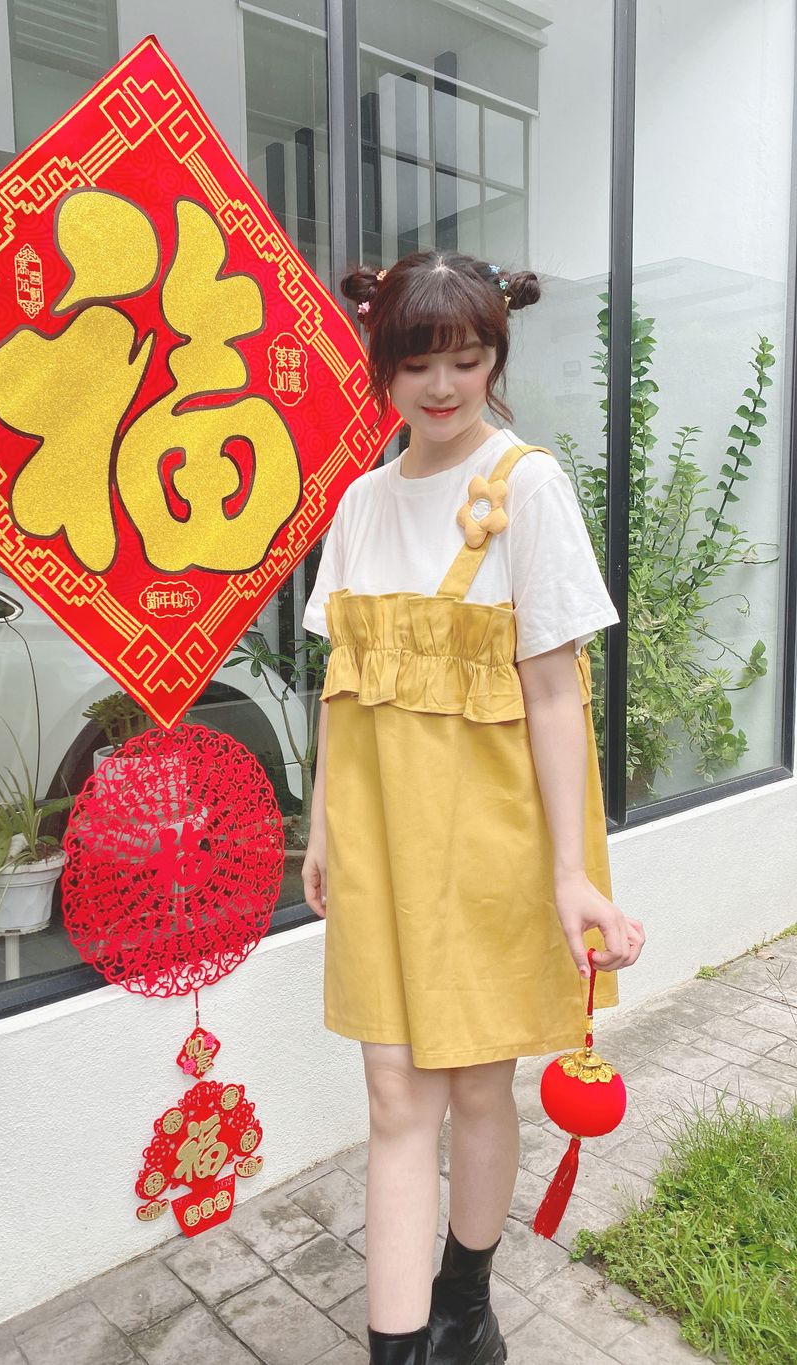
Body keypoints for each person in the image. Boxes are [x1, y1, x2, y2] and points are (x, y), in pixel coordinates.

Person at [300, 251, 646, 1365]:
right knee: (396, 1094)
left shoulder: (525, 485)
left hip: (491, 833)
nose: (443, 386)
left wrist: (571, 871)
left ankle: (466, 1300)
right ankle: (401, 1348)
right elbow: (343, 685)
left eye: (466, 358)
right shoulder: (359, 503)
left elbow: (552, 693)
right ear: (382, 367)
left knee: (481, 1082)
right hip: (381, 834)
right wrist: (321, 824)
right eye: (418, 363)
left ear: (496, 357)